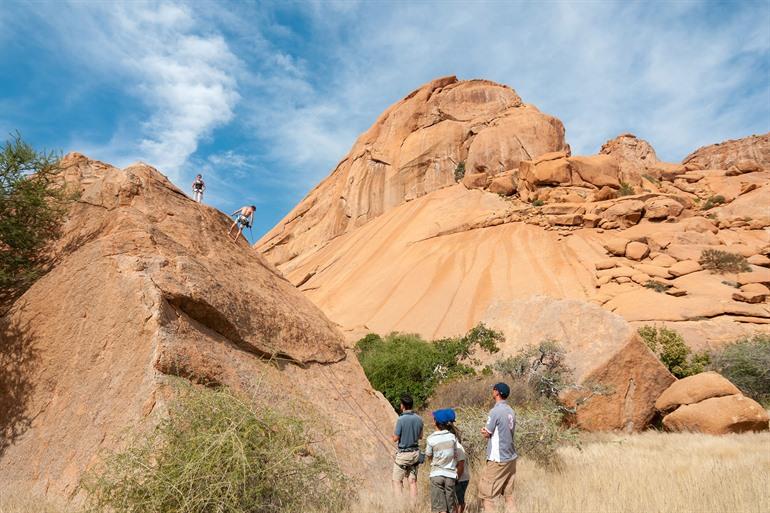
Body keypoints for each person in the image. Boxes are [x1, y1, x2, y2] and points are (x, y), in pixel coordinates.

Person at [478, 382, 517, 513]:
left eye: (493, 390)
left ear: (497, 393)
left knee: (487, 496)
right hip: (510, 458)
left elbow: (487, 433)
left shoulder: (495, 411)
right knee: (509, 495)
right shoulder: (511, 411)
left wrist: (484, 431)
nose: (492, 392)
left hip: (498, 459)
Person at [426, 408, 459, 513]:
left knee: (440, 509)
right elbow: (455, 454)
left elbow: (429, 456)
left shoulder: (431, 438)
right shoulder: (452, 437)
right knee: (451, 508)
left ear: (436, 422)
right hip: (450, 475)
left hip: (436, 475)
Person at [391, 394, 423, 499]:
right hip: (415, 454)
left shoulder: (401, 420)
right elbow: (420, 436)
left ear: (403, 406)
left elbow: (395, 438)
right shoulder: (419, 419)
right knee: (412, 481)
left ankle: (400, 507)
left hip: (403, 455)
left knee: (397, 480)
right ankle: (414, 507)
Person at [447, 422, 470, 513]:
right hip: (458, 477)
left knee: (458, 502)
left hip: (460, 479)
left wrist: (456, 478)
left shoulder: (457, 446)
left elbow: (461, 465)